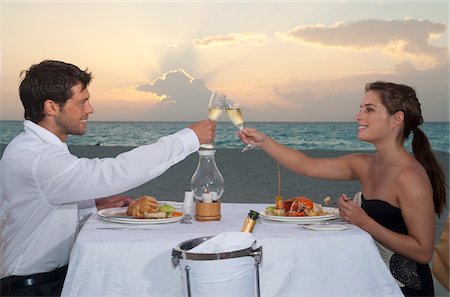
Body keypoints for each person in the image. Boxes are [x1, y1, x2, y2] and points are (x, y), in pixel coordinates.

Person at [0, 60, 216, 296]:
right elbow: (113, 173)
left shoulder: (34, 147)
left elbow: (39, 207)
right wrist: (188, 139)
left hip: (45, 282)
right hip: (32, 289)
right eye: (82, 102)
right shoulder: (38, 158)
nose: (89, 109)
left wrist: (89, 206)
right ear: (51, 107)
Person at [239, 81, 447, 296]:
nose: (358, 116)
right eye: (360, 109)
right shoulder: (365, 164)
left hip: (403, 289)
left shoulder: (410, 176)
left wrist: (364, 221)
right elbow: (307, 165)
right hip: (374, 279)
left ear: (397, 119)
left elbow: (423, 252)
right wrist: (263, 141)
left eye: (369, 109)